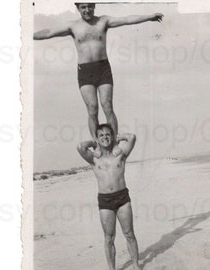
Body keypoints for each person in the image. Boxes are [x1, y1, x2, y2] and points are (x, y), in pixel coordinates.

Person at [34, 3, 163, 157]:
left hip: (103, 68)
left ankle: (114, 143)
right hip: (85, 71)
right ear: (78, 8)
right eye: (83, 7)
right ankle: (98, 145)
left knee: (107, 105)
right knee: (92, 109)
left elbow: (127, 19)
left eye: (89, 6)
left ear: (94, 7)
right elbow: (49, 32)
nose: (87, 10)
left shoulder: (103, 21)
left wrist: (150, 17)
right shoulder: (73, 26)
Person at [77, 124, 140, 270]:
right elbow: (80, 147)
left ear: (112, 137)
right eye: (101, 135)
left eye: (107, 135)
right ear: (97, 139)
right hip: (105, 201)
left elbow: (132, 137)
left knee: (129, 234)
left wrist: (118, 138)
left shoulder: (120, 154)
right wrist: (94, 144)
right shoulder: (94, 158)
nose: (105, 137)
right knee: (109, 238)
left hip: (122, 198)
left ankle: (136, 265)